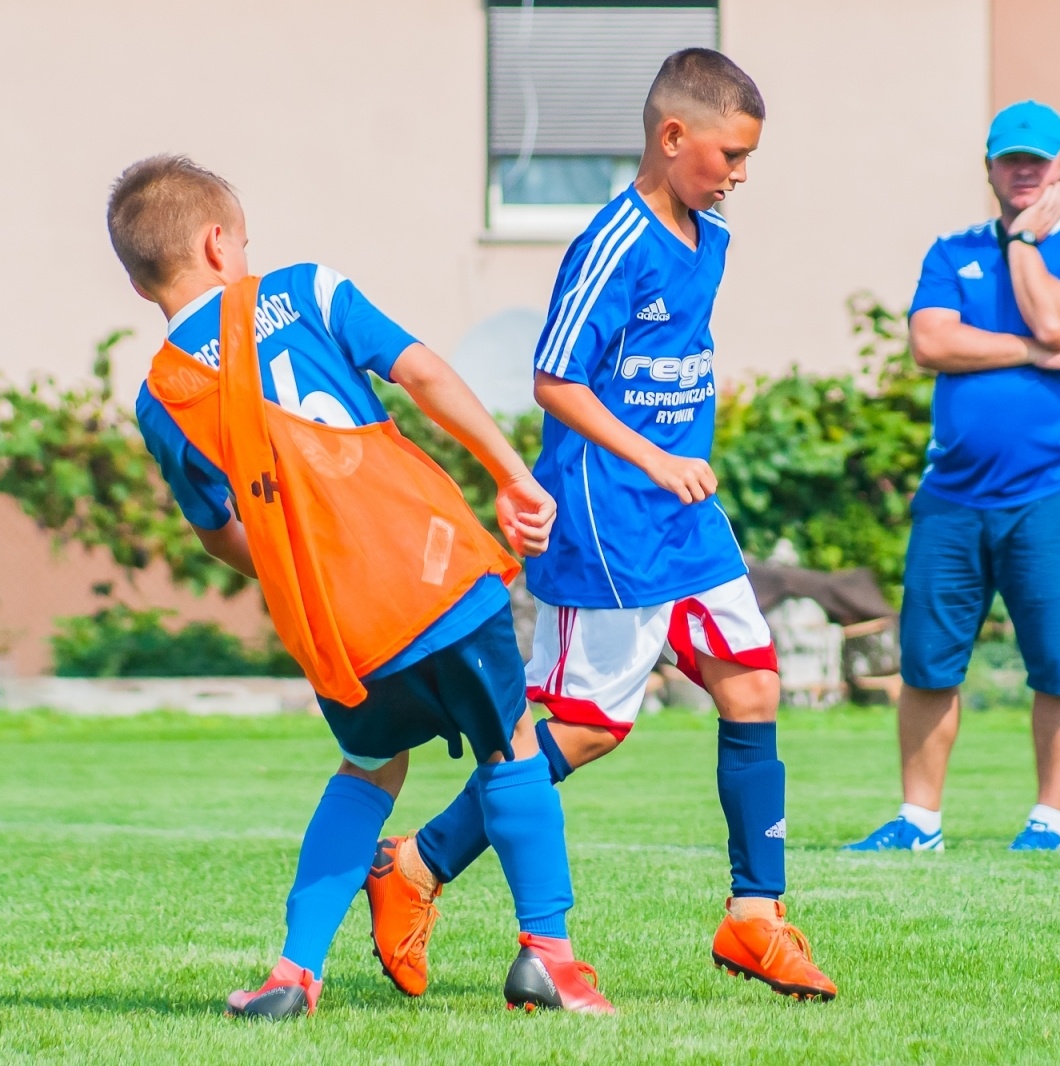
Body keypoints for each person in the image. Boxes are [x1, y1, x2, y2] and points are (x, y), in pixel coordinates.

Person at [358, 48, 837, 1003]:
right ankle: (413, 867)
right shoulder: (612, 242)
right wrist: (652, 455)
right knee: (582, 729)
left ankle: (755, 917)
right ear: (673, 137)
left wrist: (680, 443)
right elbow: (554, 379)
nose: (741, 174)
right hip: (607, 521)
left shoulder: (714, 239)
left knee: (752, 687)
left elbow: (668, 357)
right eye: (730, 154)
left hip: (686, 520)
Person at [111, 155, 612, 1018]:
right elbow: (420, 373)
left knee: (370, 763)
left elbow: (222, 531)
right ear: (218, 242)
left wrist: (309, 567)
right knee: (510, 743)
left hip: (339, 625)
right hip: (436, 570)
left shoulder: (161, 399)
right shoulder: (303, 289)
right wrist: (510, 473)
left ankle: (294, 973)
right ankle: (548, 959)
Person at [846, 101, 1060, 855]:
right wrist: (1030, 354)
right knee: (926, 662)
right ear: (988, 167)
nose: (1023, 171)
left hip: (1055, 494)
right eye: (1009, 159)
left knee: (1059, 667)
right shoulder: (951, 251)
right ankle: (920, 822)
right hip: (952, 495)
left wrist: (1022, 245)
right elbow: (929, 341)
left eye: (1037, 160)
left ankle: (1046, 824)